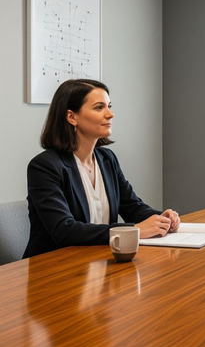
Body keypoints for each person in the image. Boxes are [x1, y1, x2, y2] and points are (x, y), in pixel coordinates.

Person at [24, 79, 180, 258]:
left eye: (109, 106)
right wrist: (134, 230)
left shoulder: (107, 159)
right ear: (71, 117)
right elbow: (64, 230)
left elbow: (133, 207)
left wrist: (162, 218)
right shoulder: (44, 166)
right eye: (99, 107)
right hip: (53, 268)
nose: (110, 114)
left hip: (98, 261)